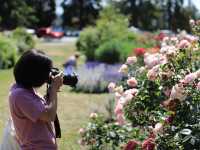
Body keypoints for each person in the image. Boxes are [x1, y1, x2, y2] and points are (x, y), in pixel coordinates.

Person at [8, 49, 63, 150]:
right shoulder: (20, 95)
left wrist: (51, 92)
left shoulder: (25, 90)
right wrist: (54, 90)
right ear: (34, 74)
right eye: (46, 72)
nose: (48, 76)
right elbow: (49, 115)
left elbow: (42, 110)